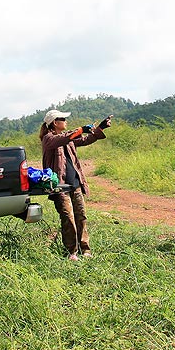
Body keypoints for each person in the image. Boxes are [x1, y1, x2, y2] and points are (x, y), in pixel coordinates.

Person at [40, 109, 112, 260]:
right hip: (60, 187)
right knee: (68, 218)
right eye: (63, 119)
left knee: (81, 216)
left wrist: (101, 127)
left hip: (75, 183)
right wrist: (80, 130)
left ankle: (85, 249)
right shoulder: (48, 139)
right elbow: (63, 139)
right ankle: (71, 252)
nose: (66, 122)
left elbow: (86, 140)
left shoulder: (67, 139)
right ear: (55, 122)